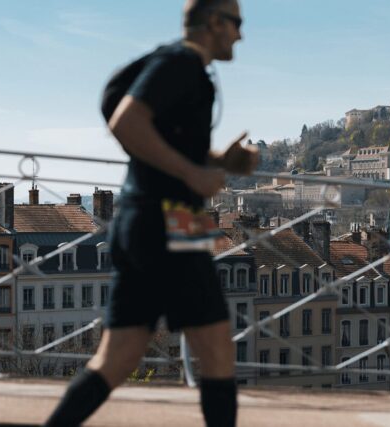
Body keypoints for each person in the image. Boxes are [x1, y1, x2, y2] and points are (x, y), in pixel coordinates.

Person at [44, 0, 255, 426]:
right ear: (214, 22)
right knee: (218, 351)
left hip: (142, 220)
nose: (240, 34)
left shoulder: (185, 69)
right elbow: (126, 122)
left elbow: (165, 145)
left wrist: (221, 161)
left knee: (116, 359)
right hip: (172, 223)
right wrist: (194, 175)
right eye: (236, 23)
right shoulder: (180, 63)